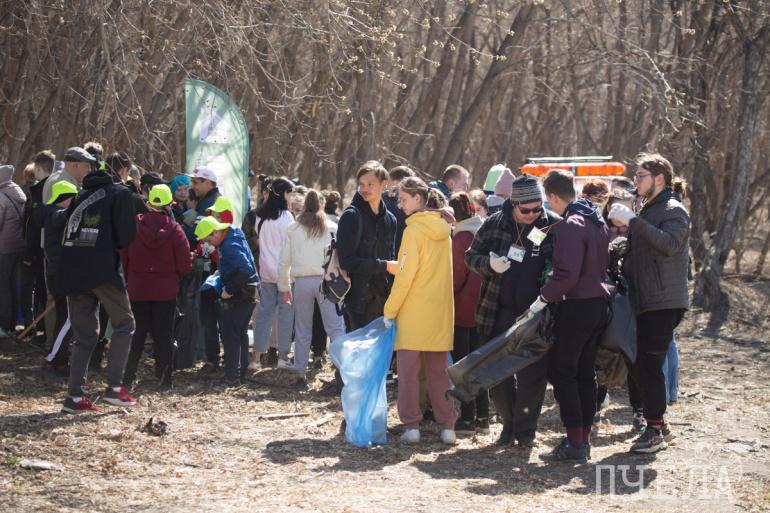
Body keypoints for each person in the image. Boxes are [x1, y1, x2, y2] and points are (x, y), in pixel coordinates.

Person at [465, 174, 561, 447]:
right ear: (514, 204)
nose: (532, 214)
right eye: (525, 210)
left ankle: (525, 430)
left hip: (537, 314)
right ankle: (508, 424)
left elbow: (562, 264)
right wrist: (489, 264)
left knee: (533, 376)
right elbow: (470, 257)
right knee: (498, 375)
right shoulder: (494, 223)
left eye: (537, 208)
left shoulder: (553, 225)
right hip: (498, 310)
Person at [608, 153, 690, 454]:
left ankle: (654, 430)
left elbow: (670, 244)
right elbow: (645, 248)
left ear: (659, 179)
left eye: (641, 176)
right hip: (643, 299)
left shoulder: (673, 209)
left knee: (649, 364)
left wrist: (632, 221)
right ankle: (660, 425)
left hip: (663, 300)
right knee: (637, 361)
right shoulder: (649, 208)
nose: (636, 181)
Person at [532, 169, 610, 462]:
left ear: (552, 196)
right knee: (584, 373)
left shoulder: (570, 225)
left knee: (562, 372)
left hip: (577, 305)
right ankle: (582, 439)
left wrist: (543, 297)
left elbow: (566, 275)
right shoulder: (595, 220)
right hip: (598, 304)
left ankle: (575, 442)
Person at [57, 152, 138, 413]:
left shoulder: (80, 196)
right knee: (125, 324)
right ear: (121, 172)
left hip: (72, 271)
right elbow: (127, 237)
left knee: (85, 336)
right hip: (103, 270)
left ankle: (74, 397)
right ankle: (114, 387)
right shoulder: (120, 194)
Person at [383, 177, 457, 445]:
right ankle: (448, 426)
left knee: (408, 375)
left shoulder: (413, 231)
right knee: (440, 374)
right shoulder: (445, 230)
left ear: (418, 198)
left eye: (403, 199)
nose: (399, 205)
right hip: (440, 312)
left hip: (413, 312)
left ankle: (411, 426)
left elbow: (405, 277)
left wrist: (390, 310)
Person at [122, 185, 192, 389]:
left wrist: (131, 274)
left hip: (138, 289)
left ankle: (127, 378)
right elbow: (184, 264)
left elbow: (123, 256)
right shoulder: (175, 230)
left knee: (136, 335)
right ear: (169, 205)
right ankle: (165, 379)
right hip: (165, 292)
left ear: (148, 203)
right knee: (164, 336)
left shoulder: (133, 226)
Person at [278, 190, 345, 379]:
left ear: (304, 205)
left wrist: (284, 286)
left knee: (302, 328)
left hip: (302, 282)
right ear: (321, 205)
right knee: (335, 327)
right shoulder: (331, 227)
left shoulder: (293, 228)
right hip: (327, 281)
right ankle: (342, 371)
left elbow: (284, 260)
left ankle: (300, 370)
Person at [195, 216, 259, 387]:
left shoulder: (229, 245)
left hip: (240, 294)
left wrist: (229, 290)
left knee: (231, 336)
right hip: (250, 292)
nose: (209, 244)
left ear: (216, 232)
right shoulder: (233, 233)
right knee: (240, 334)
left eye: (209, 240)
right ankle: (240, 375)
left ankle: (232, 377)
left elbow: (246, 269)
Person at [337, 161, 396, 331]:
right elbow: (346, 261)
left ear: (384, 184)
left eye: (370, 184)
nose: (365, 189)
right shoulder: (351, 216)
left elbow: (391, 259)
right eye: (361, 184)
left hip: (385, 301)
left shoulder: (390, 220)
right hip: (357, 303)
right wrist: (384, 265)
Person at [447, 192, 487, 435]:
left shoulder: (461, 237)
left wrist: (445, 295)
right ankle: (483, 417)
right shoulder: (482, 230)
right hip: (481, 307)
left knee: (464, 366)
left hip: (462, 308)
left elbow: (456, 276)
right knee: (480, 363)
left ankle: (467, 418)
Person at [251, 177, 296, 367]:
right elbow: (290, 245)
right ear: (283, 194)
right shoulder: (286, 217)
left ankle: (256, 358)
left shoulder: (259, 217)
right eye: (290, 193)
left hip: (265, 271)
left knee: (264, 314)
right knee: (285, 314)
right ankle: (283, 357)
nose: (291, 198)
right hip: (284, 273)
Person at [40, 181, 78, 374]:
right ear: (66, 198)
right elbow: (61, 217)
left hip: (57, 274)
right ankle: (53, 358)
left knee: (64, 317)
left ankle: (61, 359)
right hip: (60, 275)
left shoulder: (53, 213)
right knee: (69, 319)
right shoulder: (55, 214)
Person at [21, 151, 56, 343]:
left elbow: (35, 226)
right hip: (47, 247)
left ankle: (46, 332)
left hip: (43, 249)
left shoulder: (43, 189)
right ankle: (44, 330)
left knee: (44, 291)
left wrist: (29, 253)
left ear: (39, 167)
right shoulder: (52, 185)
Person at [0, 165, 26, 338]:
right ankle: (12, 323)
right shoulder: (18, 192)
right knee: (14, 284)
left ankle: (3, 325)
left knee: (3, 286)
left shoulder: (2, 197)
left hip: (4, 247)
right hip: (19, 245)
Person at [382, 165, 415, 251]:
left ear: (397, 182)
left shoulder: (408, 205)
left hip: (398, 249)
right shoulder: (381, 197)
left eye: (389, 180)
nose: (386, 184)